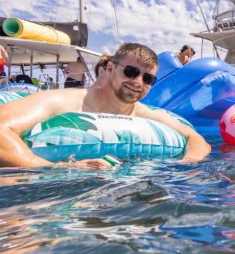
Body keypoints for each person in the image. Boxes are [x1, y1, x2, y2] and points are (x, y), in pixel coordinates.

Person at [0, 42, 211, 168]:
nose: (138, 82)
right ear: (110, 68)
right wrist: (55, 168)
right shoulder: (63, 101)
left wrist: (188, 162)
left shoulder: (142, 113)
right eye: (131, 72)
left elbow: (196, 138)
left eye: (148, 79)